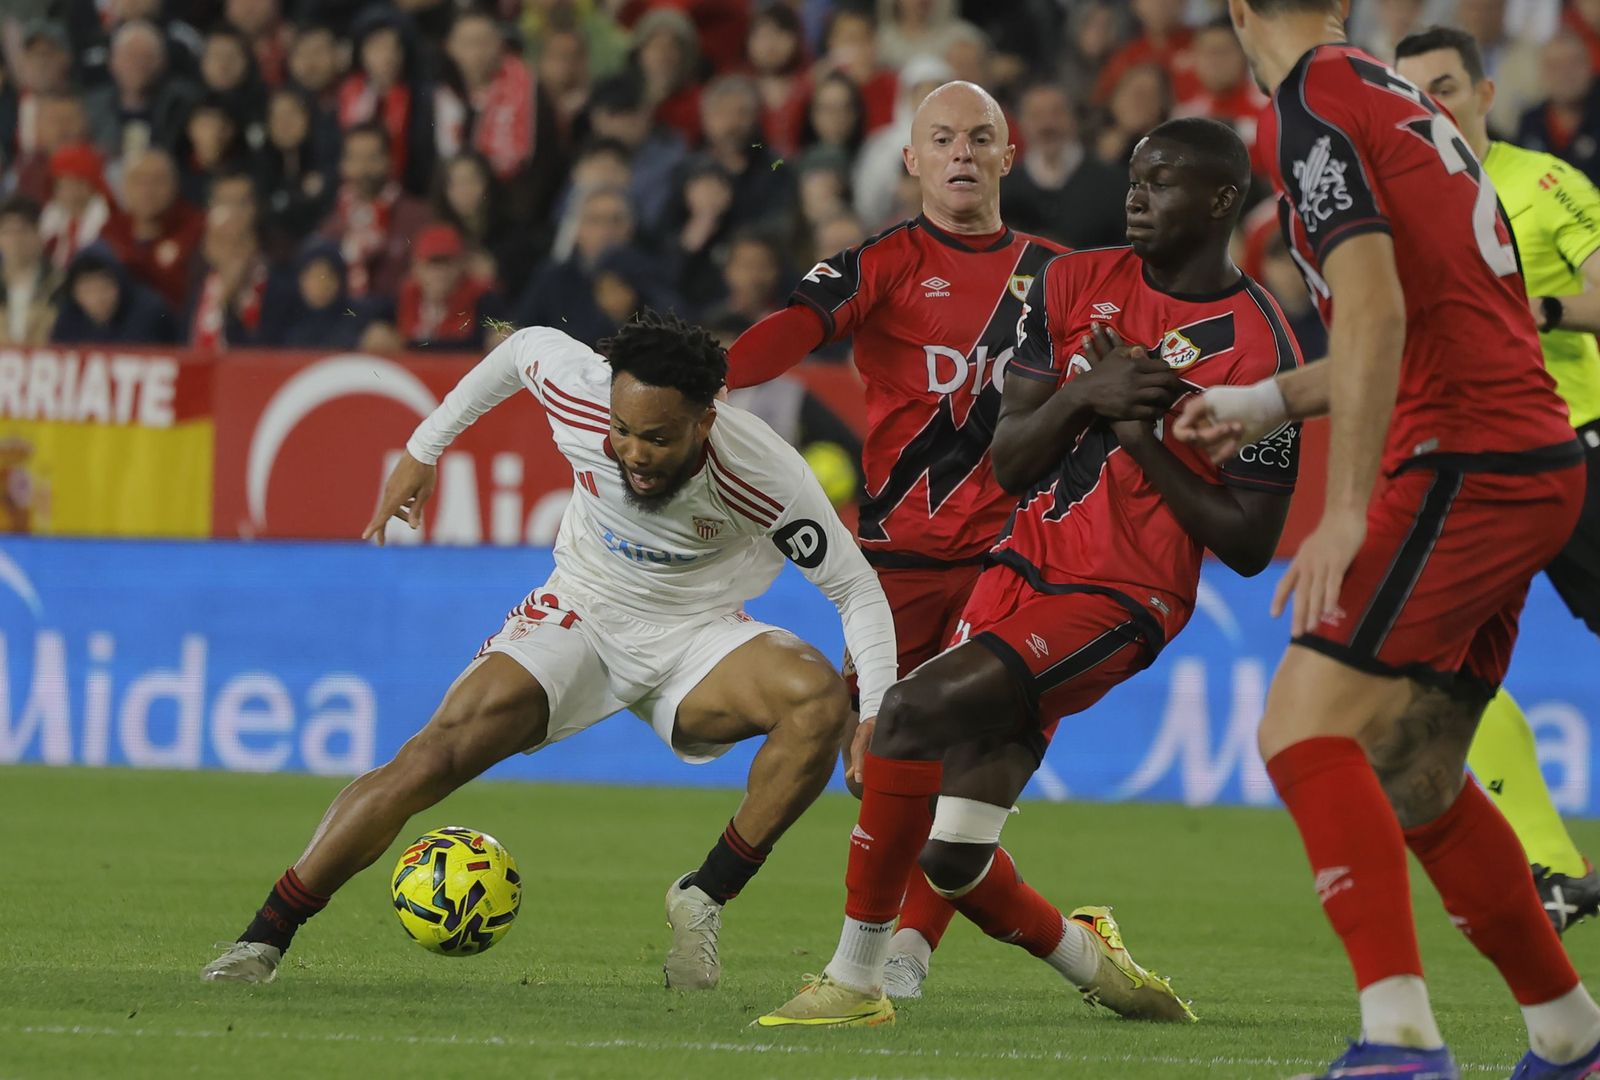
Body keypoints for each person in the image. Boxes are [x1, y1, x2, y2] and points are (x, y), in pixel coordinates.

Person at [760, 116, 1300, 1029]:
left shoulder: (1260, 347)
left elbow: (1247, 543)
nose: (1135, 193)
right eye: (1133, 172)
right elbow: (1010, 460)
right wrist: (1089, 395)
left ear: (1219, 202)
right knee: (950, 853)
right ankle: (1097, 962)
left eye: (1161, 180)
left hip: (1122, 596)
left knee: (908, 715)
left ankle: (854, 984)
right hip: (1015, 569)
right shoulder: (1074, 280)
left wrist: (1141, 436)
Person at [200, 309, 898, 992]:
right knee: (430, 757)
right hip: (581, 612)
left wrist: (875, 714)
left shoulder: (765, 475)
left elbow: (858, 591)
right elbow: (520, 348)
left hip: (699, 636)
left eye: (656, 438)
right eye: (622, 430)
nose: (632, 452)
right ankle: (264, 937)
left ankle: (703, 895)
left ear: (705, 421)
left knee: (816, 699)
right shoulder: (582, 393)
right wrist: (423, 449)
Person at [1174, 3, 1595, 1076]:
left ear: (1234, 11)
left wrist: (1348, 512)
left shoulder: (1313, 105)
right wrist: (1265, 399)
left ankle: (1398, 1041)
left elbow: (1373, 316)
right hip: (1530, 459)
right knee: (1413, 769)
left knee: (1301, 732)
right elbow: (1425, 309)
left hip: (1462, 461)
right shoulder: (1393, 97)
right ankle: (1570, 1035)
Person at [727, 80, 1068, 998]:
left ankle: (903, 954)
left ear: (1009, 154)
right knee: (873, 764)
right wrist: (705, 378)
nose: (963, 152)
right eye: (943, 138)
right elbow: (793, 331)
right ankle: (1065, 946)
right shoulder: (878, 263)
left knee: (972, 761)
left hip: (1016, 557)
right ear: (912, 160)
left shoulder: (1064, 276)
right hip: (898, 561)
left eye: (981, 137)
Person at [1396, 25, 1600, 936]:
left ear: (1483, 94)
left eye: (1443, 86)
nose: (1428, 106)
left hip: (1575, 444)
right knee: (1435, 662)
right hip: (1470, 463)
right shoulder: (1400, 205)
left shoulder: (1544, 182)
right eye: (1410, 93)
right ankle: (1555, 868)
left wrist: (1542, 305)